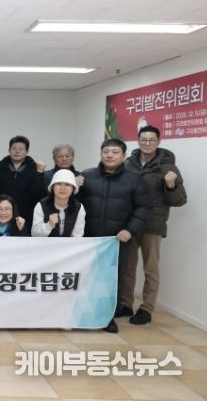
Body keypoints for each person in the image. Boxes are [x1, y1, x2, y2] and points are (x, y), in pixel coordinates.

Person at [79, 138, 152, 333]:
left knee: (113, 279)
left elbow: (144, 208)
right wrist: (75, 187)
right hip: (89, 238)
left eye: (115, 152)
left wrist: (130, 230)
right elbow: (74, 203)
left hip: (118, 240)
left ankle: (107, 317)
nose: (109, 155)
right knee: (86, 276)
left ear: (124, 156)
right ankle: (83, 313)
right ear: (100, 154)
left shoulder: (135, 179)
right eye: (106, 151)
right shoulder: (87, 176)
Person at [119, 126, 187, 325]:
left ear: (158, 141)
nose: (147, 143)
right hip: (130, 224)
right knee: (127, 267)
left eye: (151, 140)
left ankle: (147, 308)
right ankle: (125, 304)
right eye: (143, 139)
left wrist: (170, 186)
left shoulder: (168, 167)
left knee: (150, 268)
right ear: (138, 140)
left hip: (153, 224)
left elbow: (180, 200)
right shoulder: (128, 163)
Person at [0, 135, 45, 231]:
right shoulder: (1, 167)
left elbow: (38, 193)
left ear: (27, 151)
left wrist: (40, 173)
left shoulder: (34, 169)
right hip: (1, 216)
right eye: (14, 149)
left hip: (25, 217)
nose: (17, 151)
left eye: (21, 149)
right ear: (9, 150)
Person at [32, 169, 86, 237]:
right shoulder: (41, 205)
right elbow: (35, 234)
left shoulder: (79, 208)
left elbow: (77, 236)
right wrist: (49, 225)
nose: (62, 188)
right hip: (45, 244)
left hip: (70, 244)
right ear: (52, 187)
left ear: (73, 188)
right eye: (59, 184)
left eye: (67, 184)